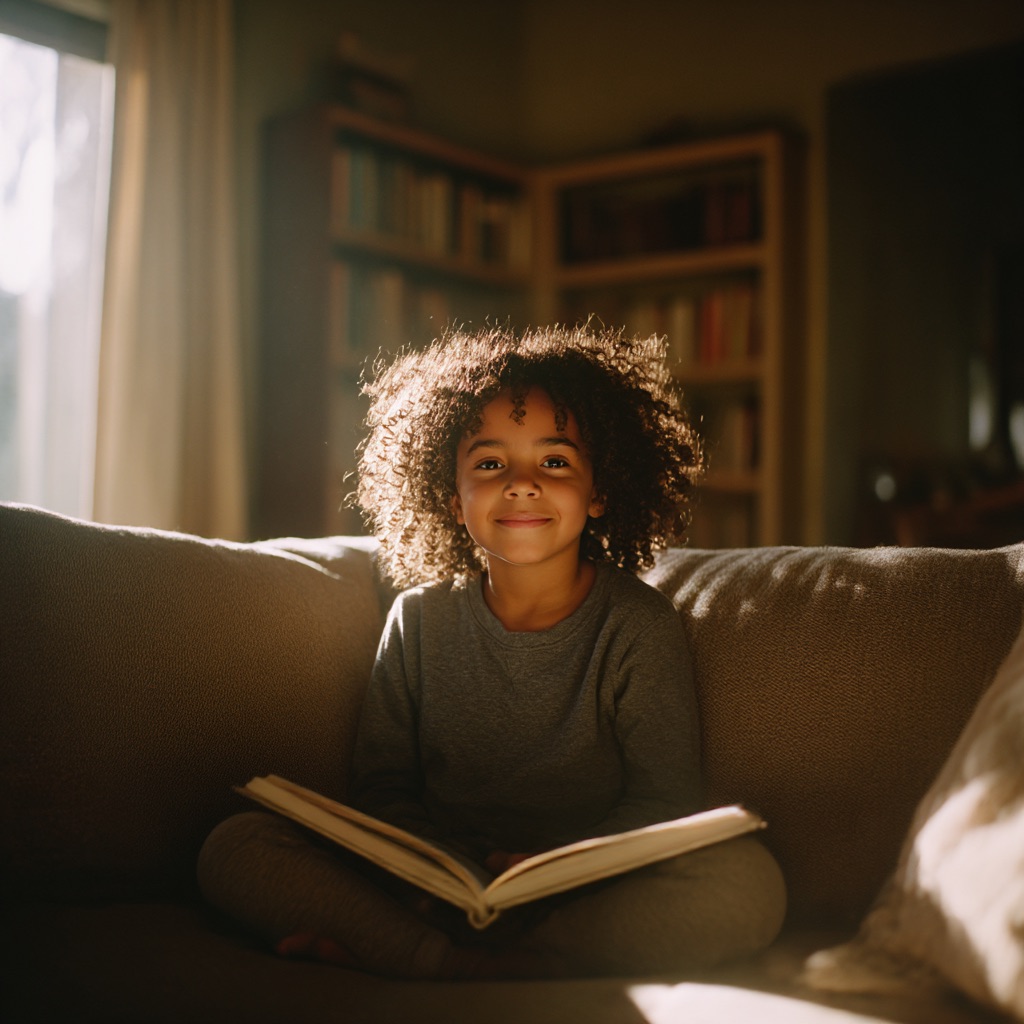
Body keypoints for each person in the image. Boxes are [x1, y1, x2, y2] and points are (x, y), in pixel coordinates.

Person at [198, 324, 786, 979]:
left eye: (555, 461)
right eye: (490, 463)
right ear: (453, 499)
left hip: (585, 894)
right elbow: (383, 790)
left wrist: (559, 870)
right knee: (237, 844)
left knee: (748, 881)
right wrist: (429, 870)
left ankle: (460, 960)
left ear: (599, 493)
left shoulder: (638, 626)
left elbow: (663, 801)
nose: (522, 483)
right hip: (432, 890)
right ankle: (442, 957)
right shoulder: (417, 620)